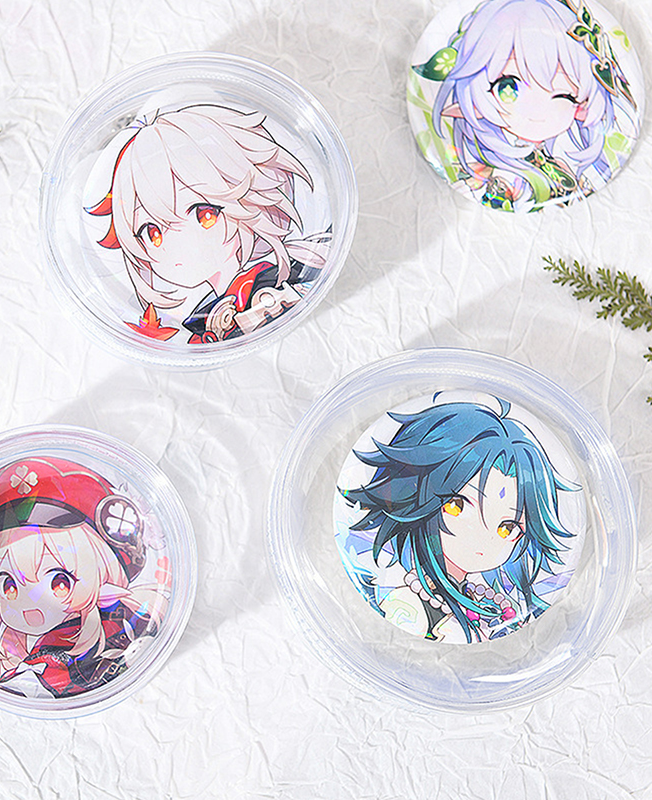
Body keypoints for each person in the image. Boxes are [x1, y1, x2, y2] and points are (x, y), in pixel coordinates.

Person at [339, 398, 577, 643]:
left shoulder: (489, 604)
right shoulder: (408, 605)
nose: (483, 537)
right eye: (457, 505)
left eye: (507, 527)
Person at [86, 103, 329, 342]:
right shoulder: (198, 324)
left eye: (204, 215)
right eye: (152, 233)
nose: (177, 244)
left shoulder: (278, 280)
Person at [0, 457, 167, 697]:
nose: (30, 606)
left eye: (60, 582)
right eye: (8, 587)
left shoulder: (128, 617)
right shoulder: (38, 661)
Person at [413, 0, 637, 210]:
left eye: (564, 95)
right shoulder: (481, 172)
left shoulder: (563, 161)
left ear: (582, 107)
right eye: (508, 88)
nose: (536, 111)